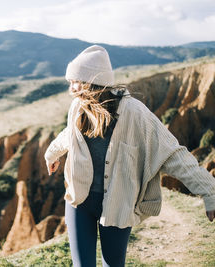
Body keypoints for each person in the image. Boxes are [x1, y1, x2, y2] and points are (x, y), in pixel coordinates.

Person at [44, 45, 215, 267]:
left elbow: (173, 153)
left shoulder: (135, 113)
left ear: (90, 81)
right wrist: (52, 153)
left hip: (118, 204)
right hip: (79, 202)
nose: (71, 88)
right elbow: (70, 135)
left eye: (75, 81)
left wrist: (209, 191)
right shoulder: (77, 107)